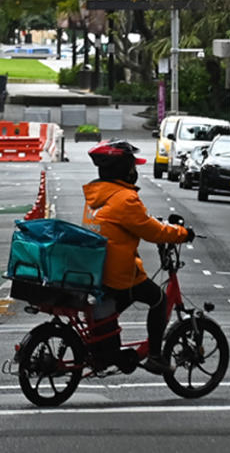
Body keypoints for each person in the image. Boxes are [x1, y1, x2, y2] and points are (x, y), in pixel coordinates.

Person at [81, 139, 193, 374]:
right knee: (159, 300)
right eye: (132, 166)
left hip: (100, 269)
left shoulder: (98, 197)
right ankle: (155, 356)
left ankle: (107, 348)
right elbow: (153, 231)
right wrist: (183, 234)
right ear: (122, 168)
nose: (135, 171)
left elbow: (137, 221)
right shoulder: (125, 199)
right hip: (119, 274)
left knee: (114, 309)